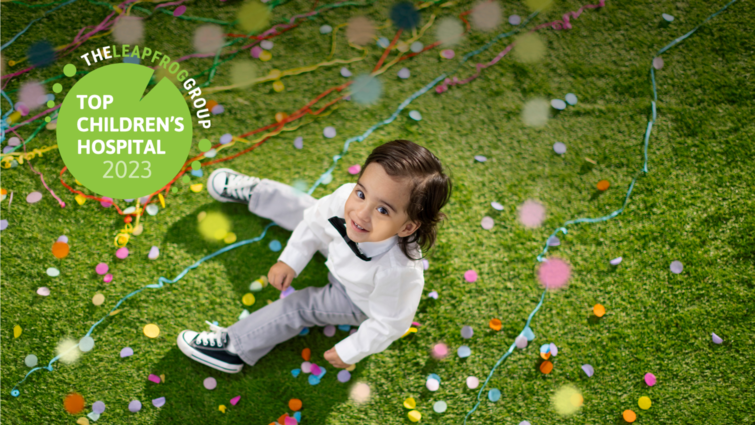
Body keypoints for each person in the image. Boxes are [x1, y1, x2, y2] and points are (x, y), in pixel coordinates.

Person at [177, 140, 452, 373]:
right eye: (361, 193)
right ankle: (256, 193)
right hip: (338, 251)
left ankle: (234, 347)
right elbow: (313, 222)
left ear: (406, 227)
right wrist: (291, 260)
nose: (361, 212)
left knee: (300, 306)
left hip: (355, 297)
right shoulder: (348, 201)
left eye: (383, 211)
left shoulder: (399, 271)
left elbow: (391, 322)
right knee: (310, 210)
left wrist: (352, 349)